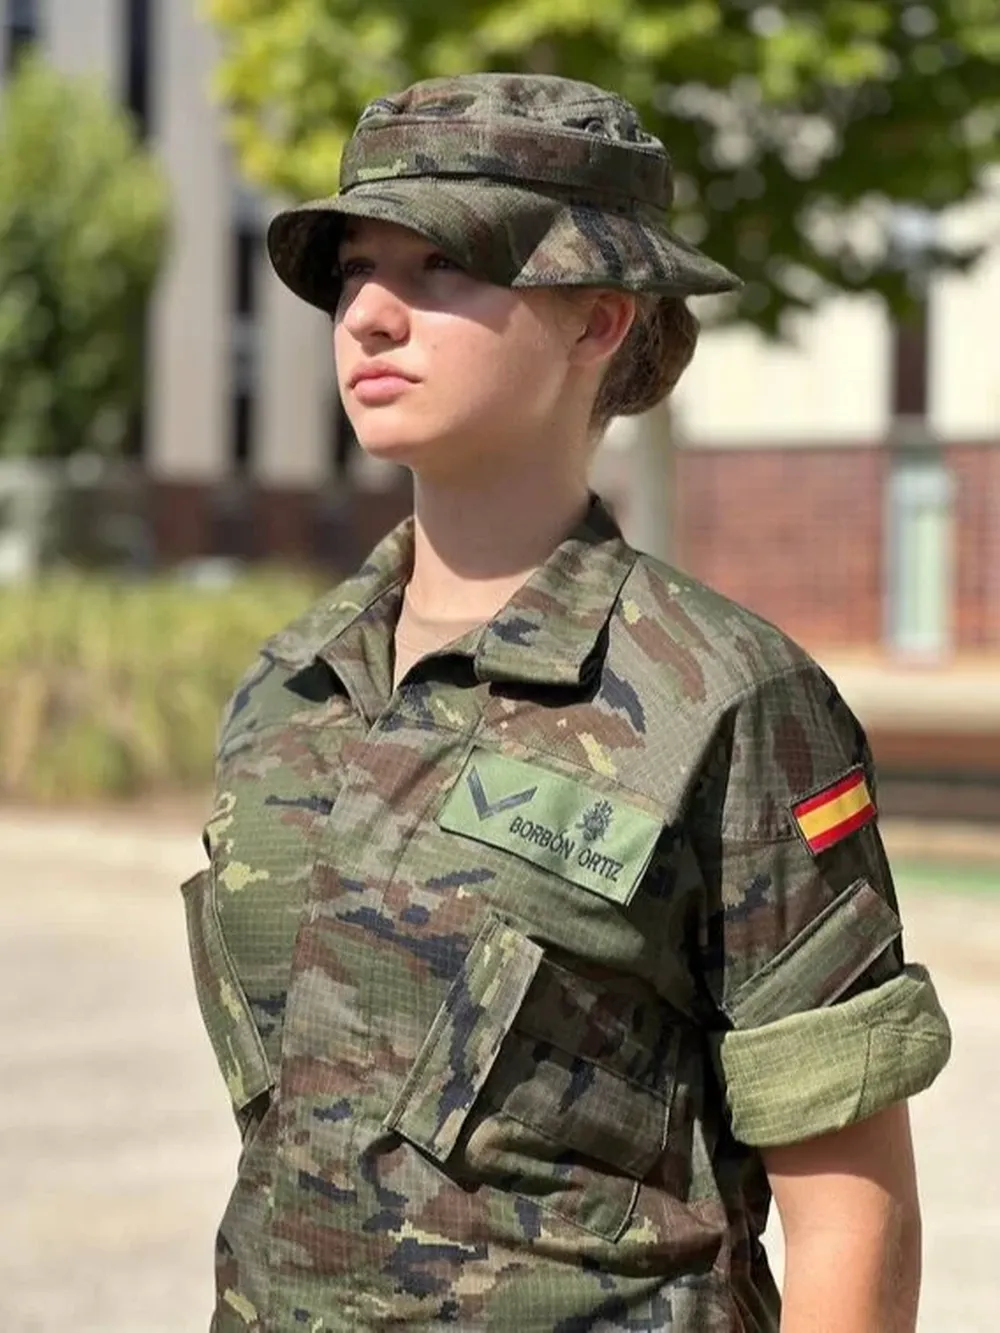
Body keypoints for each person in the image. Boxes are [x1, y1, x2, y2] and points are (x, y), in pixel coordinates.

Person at [181, 73, 951, 1333]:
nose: (371, 314)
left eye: (440, 265)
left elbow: (852, 1219)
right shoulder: (290, 686)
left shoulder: (725, 699)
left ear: (598, 319)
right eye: (355, 268)